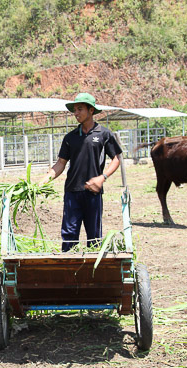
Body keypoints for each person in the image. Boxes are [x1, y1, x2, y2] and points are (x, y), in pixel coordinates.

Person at [40, 93, 123, 252]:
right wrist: (43, 180)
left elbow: (116, 158)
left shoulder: (104, 134)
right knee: (69, 235)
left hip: (93, 193)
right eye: (74, 110)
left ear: (91, 110)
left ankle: (92, 273)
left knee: (94, 237)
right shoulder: (70, 137)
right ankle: (69, 271)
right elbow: (61, 163)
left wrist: (102, 177)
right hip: (72, 192)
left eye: (80, 109)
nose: (76, 113)